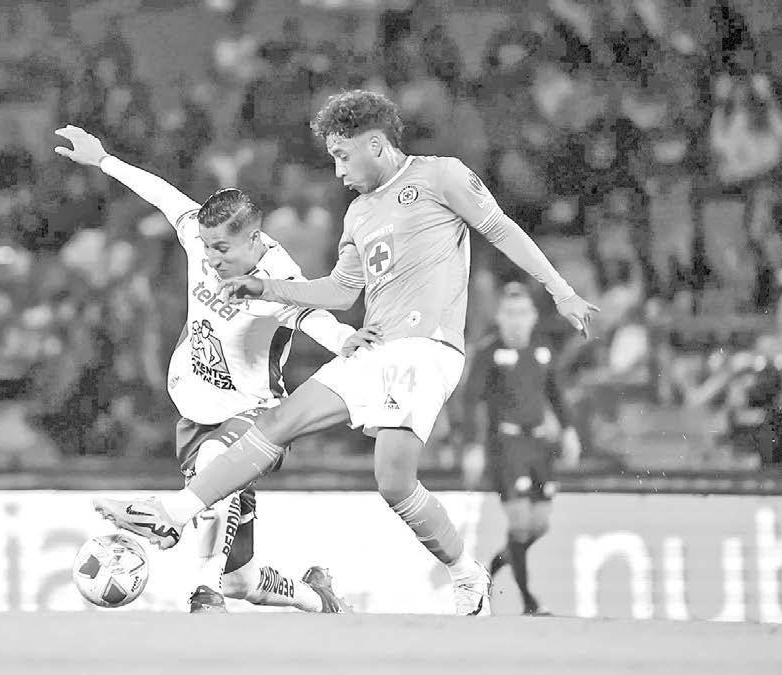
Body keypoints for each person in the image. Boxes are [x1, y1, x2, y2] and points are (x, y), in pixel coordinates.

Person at [90, 90, 598, 616]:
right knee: (324, 446)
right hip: (376, 349)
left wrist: (560, 290)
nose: (337, 171)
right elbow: (340, 292)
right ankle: (172, 513)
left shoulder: (441, 176)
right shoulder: (358, 213)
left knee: (383, 475)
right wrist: (265, 288)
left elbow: (501, 229)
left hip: (425, 349)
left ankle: (464, 575)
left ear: (375, 145)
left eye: (342, 155)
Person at [55, 125, 371, 614]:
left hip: (256, 416)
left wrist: (347, 341)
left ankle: (201, 589)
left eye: (221, 248)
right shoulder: (200, 241)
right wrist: (103, 160)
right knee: (243, 579)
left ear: (254, 239)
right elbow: (163, 195)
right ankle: (321, 600)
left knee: (214, 465)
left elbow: (313, 317)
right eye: (206, 246)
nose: (210, 257)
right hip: (196, 413)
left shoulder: (279, 277)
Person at [459, 282, 581, 616]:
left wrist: (569, 430)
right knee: (520, 523)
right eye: (509, 313)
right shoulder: (489, 352)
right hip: (506, 446)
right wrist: (472, 446)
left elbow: (556, 394)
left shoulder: (542, 350)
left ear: (533, 317)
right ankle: (529, 601)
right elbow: (470, 400)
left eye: (522, 313)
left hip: (539, 445)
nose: (516, 320)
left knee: (539, 525)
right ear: (499, 317)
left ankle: (489, 571)